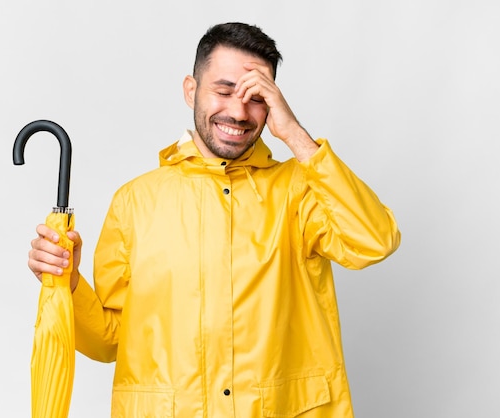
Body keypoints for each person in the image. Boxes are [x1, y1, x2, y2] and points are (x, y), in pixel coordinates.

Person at [28, 22, 400, 417]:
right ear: (191, 89)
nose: (238, 112)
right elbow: (110, 341)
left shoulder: (301, 190)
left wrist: (294, 135)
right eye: (223, 91)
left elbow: (375, 239)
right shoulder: (135, 202)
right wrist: (68, 285)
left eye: (256, 97)